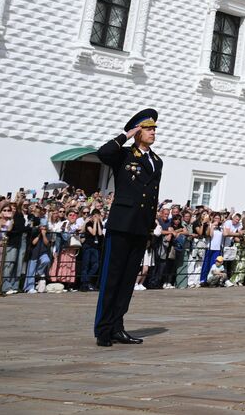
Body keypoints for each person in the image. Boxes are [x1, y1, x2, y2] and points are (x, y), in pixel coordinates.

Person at [93, 109, 163, 347]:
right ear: (137, 131)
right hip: (121, 225)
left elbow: (151, 195)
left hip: (140, 227)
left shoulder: (156, 160)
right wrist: (125, 135)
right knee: (112, 278)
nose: (153, 132)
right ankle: (103, 329)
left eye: (154, 129)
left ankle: (117, 326)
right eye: (148, 128)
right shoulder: (123, 155)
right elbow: (103, 153)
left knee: (126, 282)